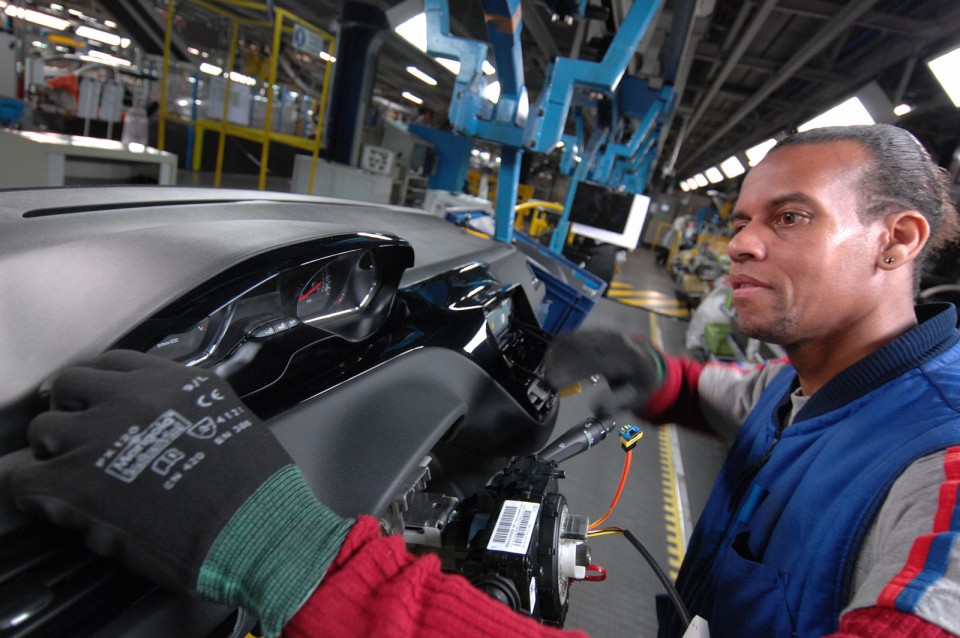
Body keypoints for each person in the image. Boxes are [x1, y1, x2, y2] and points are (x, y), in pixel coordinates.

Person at [6, 123, 960, 638]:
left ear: (897, 239)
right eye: (743, 215)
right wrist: (653, 377)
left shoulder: (944, 465)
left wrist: (287, 549)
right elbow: (748, 405)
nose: (742, 241)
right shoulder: (822, 383)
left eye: (789, 218)